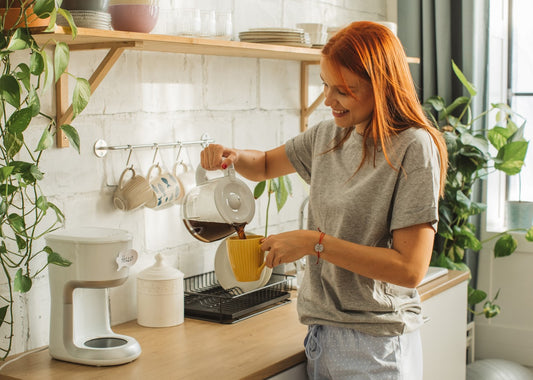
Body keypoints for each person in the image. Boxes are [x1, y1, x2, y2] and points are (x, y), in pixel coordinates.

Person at [200, 21, 448, 379]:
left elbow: (410, 270)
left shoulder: (413, 147)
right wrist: (232, 155)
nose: (329, 100)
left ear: (381, 87)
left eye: (344, 91)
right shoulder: (330, 136)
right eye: (325, 85)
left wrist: (314, 244)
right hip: (322, 336)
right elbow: (266, 164)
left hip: (374, 345)